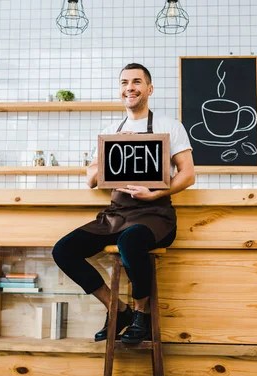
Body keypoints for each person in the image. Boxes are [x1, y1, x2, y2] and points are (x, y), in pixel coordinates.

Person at [52, 63, 195, 344]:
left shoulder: (169, 126)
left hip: (155, 214)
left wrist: (155, 194)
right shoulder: (110, 131)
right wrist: (116, 145)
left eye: (137, 82)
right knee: (63, 251)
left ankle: (142, 314)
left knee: (131, 242)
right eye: (124, 82)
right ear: (120, 90)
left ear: (149, 89)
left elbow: (188, 174)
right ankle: (118, 308)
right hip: (116, 215)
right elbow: (91, 178)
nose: (130, 87)